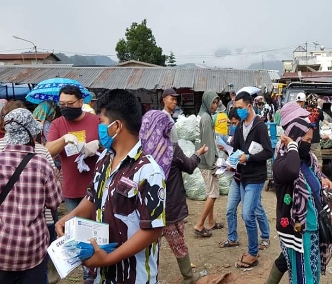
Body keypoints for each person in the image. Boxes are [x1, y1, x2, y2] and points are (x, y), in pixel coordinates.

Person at [55, 89, 167, 283]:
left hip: (133, 276)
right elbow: (92, 196)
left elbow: (153, 229)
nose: (99, 128)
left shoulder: (148, 171)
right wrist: (68, 218)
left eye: (102, 122)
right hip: (103, 275)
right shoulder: (105, 160)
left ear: (117, 126)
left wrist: (108, 259)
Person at [140, 110, 207, 284]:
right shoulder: (171, 149)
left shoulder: (140, 151)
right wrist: (198, 154)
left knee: (151, 246)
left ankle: (150, 278)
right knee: (178, 243)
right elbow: (190, 166)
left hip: (147, 209)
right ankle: (188, 276)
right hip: (170, 207)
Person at [272, 102, 332, 283]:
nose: (309, 145)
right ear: (295, 138)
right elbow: (292, 170)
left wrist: (327, 213)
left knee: (311, 274)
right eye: (306, 141)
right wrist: (291, 145)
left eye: (310, 140)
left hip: (313, 229)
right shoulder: (282, 162)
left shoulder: (308, 161)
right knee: (301, 275)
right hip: (297, 230)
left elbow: (316, 191)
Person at [0, 101, 61, 284]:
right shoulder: (41, 163)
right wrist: (55, 179)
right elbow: (55, 202)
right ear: (29, 133)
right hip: (32, 248)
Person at [229, 91, 273, 268]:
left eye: (240, 108)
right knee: (246, 213)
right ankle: (253, 248)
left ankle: (253, 252)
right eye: (236, 108)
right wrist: (227, 149)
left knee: (247, 214)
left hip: (256, 177)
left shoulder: (259, 126)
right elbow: (236, 147)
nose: (237, 111)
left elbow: (269, 152)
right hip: (243, 177)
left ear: (249, 106)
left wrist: (248, 157)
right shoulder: (240, 127)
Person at [219, 107, 270, 252]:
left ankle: (265, 237)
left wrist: (246, 157)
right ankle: (233, 238)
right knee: (231, 209)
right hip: (238, 178)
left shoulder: (257, 127)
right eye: (231, 124)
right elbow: (235, 153)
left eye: (235, 123)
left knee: (253, 211)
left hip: (251, 178)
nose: (233, 126)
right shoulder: (238, 131)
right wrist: (229, 162)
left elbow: (265, 152)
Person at [46, 85, 101, 212]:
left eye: (70, 103)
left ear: (81, 102)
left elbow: (112, 142)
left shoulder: (96, 121)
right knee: (75, 227)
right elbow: (48, 151)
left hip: (95, 186)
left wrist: (98, 143)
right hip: (71, 187)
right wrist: (63, 139)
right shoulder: (57, 124)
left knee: (96, 227)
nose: (66, 107)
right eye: (62, 104)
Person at [194, 90, 223, 238]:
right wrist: (213, 165)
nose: (215, 105)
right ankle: (199, 225)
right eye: (213, 102)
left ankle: (211, 222)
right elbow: (208, 144)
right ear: (206, 101)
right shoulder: (206, 118)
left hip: (202, 161)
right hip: (207, 162)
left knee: (211, 192)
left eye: (216, 102)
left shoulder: (203, 116)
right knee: (213, 194)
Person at [307, 94, 325, 171]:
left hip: (305, 139)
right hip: (315, 139)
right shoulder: (320, 111)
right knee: (318, 159)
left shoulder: (303, 111)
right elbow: (323, 119)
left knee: (306, 159)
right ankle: (319, 176)